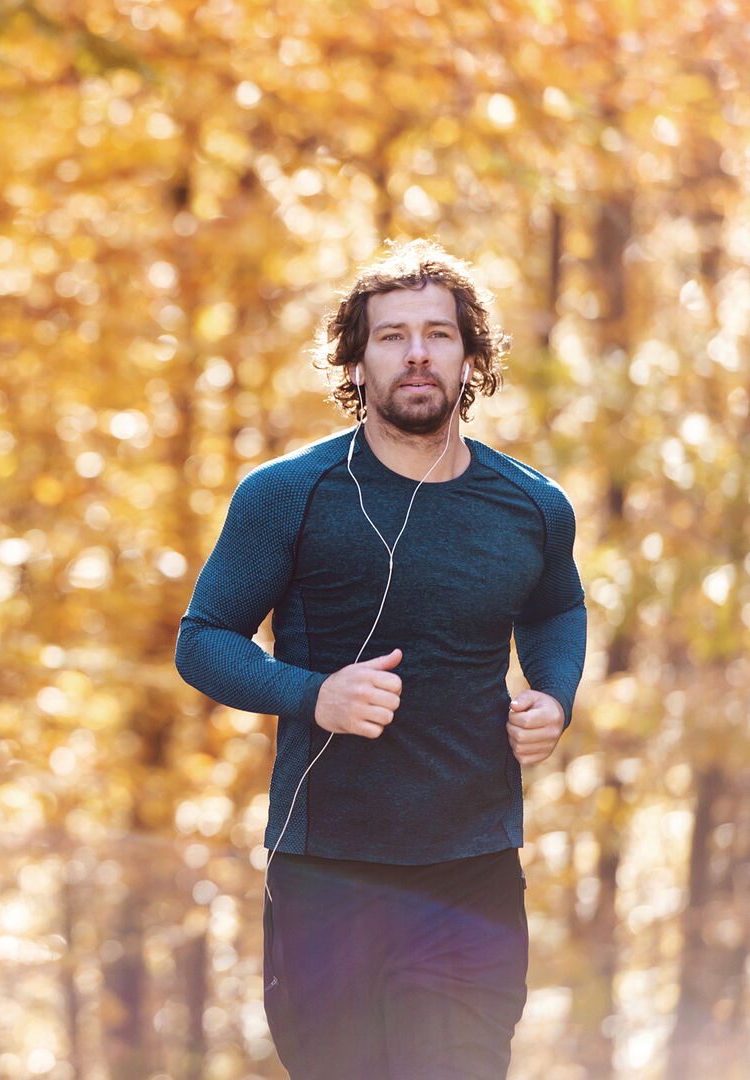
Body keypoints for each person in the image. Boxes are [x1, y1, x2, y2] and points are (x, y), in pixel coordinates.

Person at [175, 240, 586, 1080]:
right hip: (327, 869)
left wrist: (554, 695)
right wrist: (313, 694)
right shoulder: (287, 495)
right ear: (355, 361)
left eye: (438, 334)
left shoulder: (532, 506)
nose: (417, 354)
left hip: (471, 866)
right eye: (392, 336)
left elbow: (556, 607)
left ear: (471, 356)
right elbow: (203, 639)